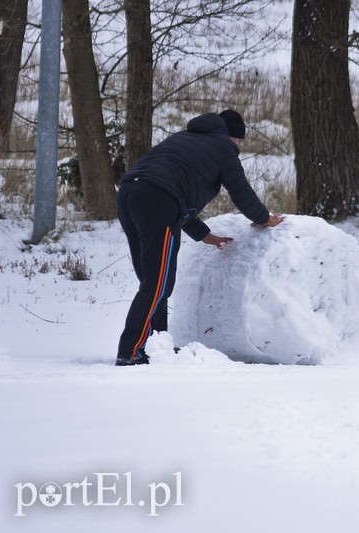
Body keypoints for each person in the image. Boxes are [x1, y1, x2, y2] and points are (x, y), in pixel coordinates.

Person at [115, 109, 284, 366]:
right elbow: (239, 190)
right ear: (231, 137)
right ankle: (131, 351)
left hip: (130, 193)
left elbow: (174, 188)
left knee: (154, 282)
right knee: (158, 284)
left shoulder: (184, 139)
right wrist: (263, 217)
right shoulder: (222, 147)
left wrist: (203, 234)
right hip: (157, 198)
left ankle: (156, 346)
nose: (238, 146)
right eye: (238, 141)